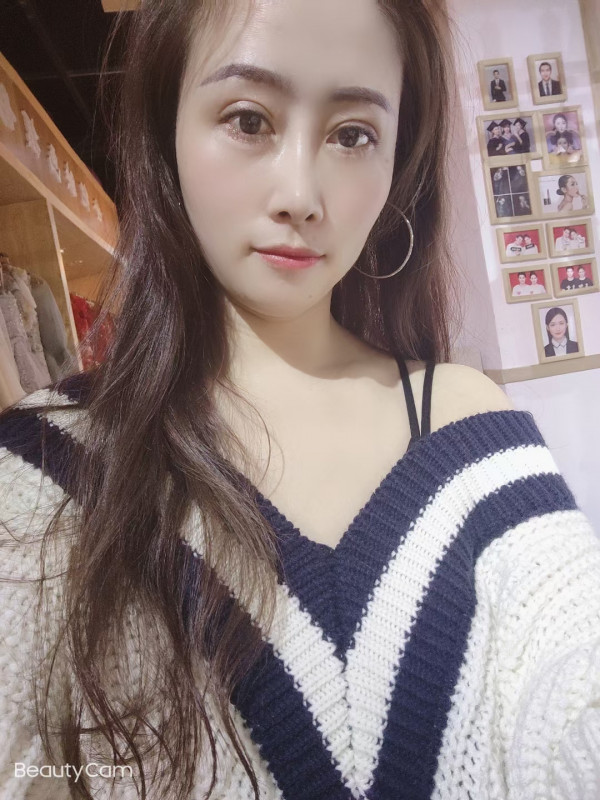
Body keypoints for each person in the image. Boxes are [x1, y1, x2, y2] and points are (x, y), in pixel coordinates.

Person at [1, 3, 599, 800]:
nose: (301, 195)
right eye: (248, 119)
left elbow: (571, 683)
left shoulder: (465, 425)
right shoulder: (54, 467)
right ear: (165, 130)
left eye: (353, 135)